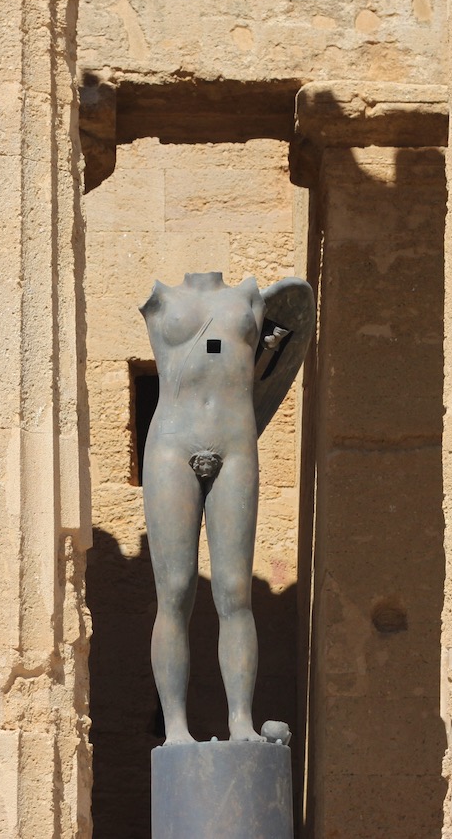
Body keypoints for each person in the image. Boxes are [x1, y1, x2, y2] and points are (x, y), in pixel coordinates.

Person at [139, 271, 286, 745]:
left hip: (235, 442)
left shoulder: (249, 297)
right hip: (171, 444)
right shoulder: (161, 297)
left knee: (234, 590)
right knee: (175, 589)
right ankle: (175, 727)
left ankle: (241, 720)